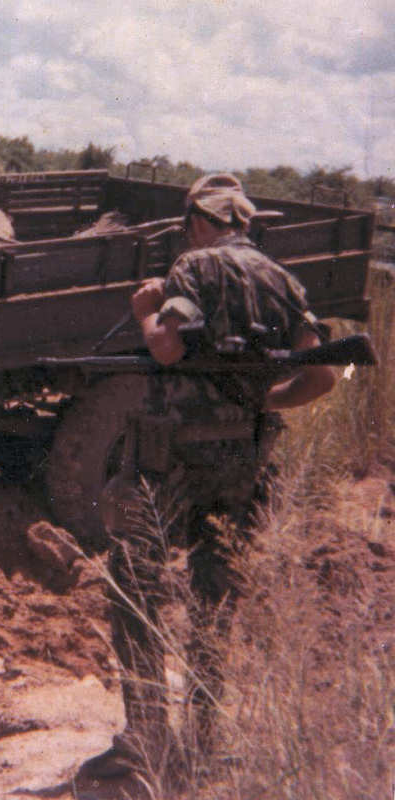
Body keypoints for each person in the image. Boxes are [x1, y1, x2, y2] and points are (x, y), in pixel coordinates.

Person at [75, 173, 336, 797]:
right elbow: (323, 375)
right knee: (215, 598)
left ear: (197, 220)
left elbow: (167, 348)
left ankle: (146, 741)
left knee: (137, 587)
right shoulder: (283, 281)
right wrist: (265, 401)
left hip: (170, 462)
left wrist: (146, 312)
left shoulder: (193, 267)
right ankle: (204, 741)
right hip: (243, 465)